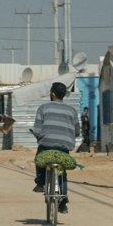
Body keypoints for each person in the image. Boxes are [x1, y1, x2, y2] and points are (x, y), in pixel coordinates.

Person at [31, 82, 80, 214]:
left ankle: (41, 182)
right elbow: (77, 131)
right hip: (64, 147)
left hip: (46, 145)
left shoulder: (43, 108)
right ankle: (63, 200)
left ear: (52, 94)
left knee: (39, 159)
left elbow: (37, 129)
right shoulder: (72, 111)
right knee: (62, 172)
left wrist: (39, 136)